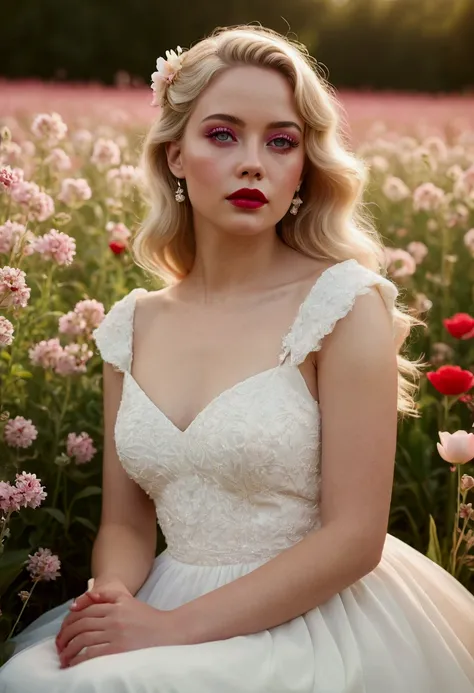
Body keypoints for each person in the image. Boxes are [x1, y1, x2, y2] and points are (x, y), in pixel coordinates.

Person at [1, 23, 473, 693]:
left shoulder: (342, 303)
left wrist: (169, 630)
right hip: (165, 603)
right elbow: (123, 525)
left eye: (280, 141)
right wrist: (111, 601)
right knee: (31, 676)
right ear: (174, 154)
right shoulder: (131, 324)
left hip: (314, 621)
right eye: (223, 134)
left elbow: (354, 538)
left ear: (304, 166)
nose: (253, 162)